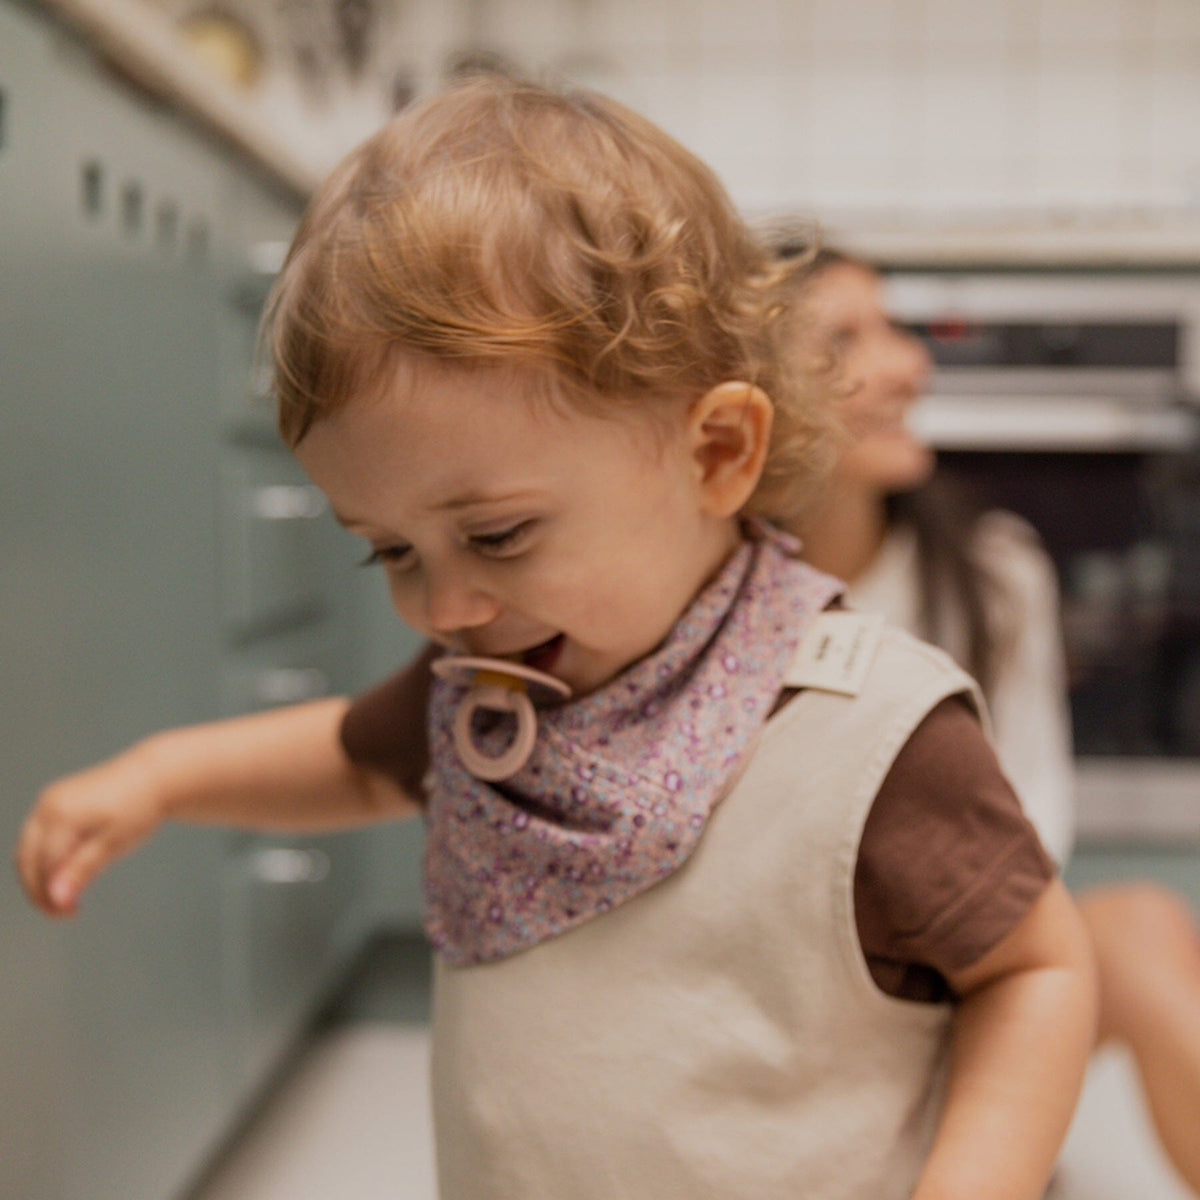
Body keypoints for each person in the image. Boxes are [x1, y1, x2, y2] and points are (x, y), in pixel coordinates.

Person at [17, 77, 1095, 1200]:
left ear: (716, 453)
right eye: (389, 551)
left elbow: (1037, 971)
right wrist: (157, 777)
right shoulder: (490, 696)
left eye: (499, 533)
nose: (443, 609)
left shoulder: (871, 736)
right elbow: (349, 755)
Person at [789, 244, 1200, 1195]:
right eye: (844, 340)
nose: (907, 363)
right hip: (787, 1013)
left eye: (891, 326)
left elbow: (1029, 827)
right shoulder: (710, 604)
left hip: (952, 980)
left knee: (1138, 927)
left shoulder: (992, 574)